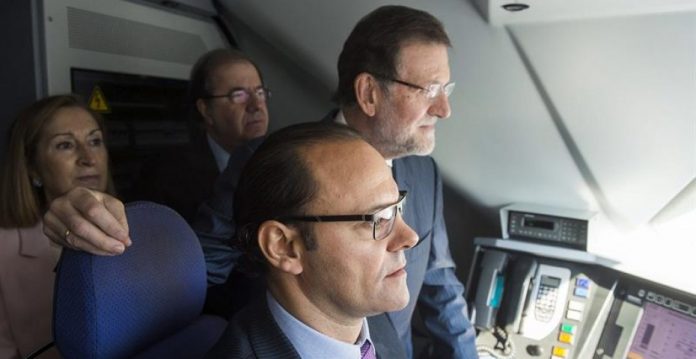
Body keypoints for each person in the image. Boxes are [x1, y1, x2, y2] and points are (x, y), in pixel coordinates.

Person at [42, 5, 479, 358]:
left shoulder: (425, 172)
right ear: (368, 93)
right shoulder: (265, 161)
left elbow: (441, 286)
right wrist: (97, 232)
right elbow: (193, 270)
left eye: (448, 90)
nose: (443, 109)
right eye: (428, 90)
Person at [206, 122, 418, 358]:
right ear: (284, 247)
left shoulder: (373, 321)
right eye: (377, 219)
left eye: (397, 207)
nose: (410, 236)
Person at [0, 95, 114, 359]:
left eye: (95, 141)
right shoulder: (4, 249)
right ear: (33, 169)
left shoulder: (137, 230)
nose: (89, 158)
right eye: (65, 145)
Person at [128, 48, 270, 222]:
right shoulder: (167, 177)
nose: (256, 105)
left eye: (260, 92)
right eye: (239, 95)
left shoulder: (286, 159)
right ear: (206, 110)